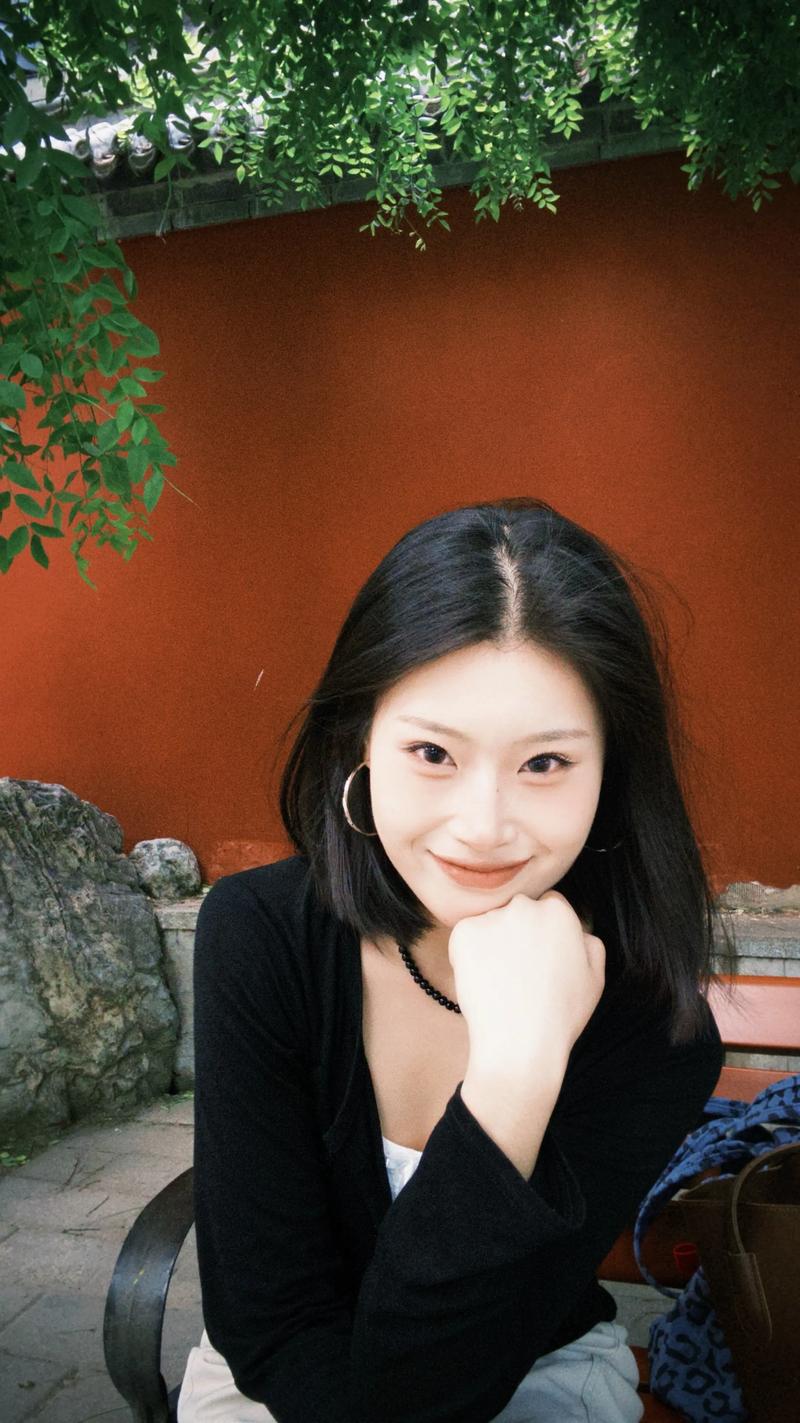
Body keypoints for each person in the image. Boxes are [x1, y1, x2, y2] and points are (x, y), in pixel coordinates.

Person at [177, 497, 733, 1423]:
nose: (482, 825)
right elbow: (273, 1323)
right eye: (433, 751)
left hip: (525, 1371)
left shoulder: (651, 1026)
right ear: (361, 741)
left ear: (611, 773)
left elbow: (442, 1377)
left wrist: (516, 1077)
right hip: (273, 1380)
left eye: (544, 764)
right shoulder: (261, 936)